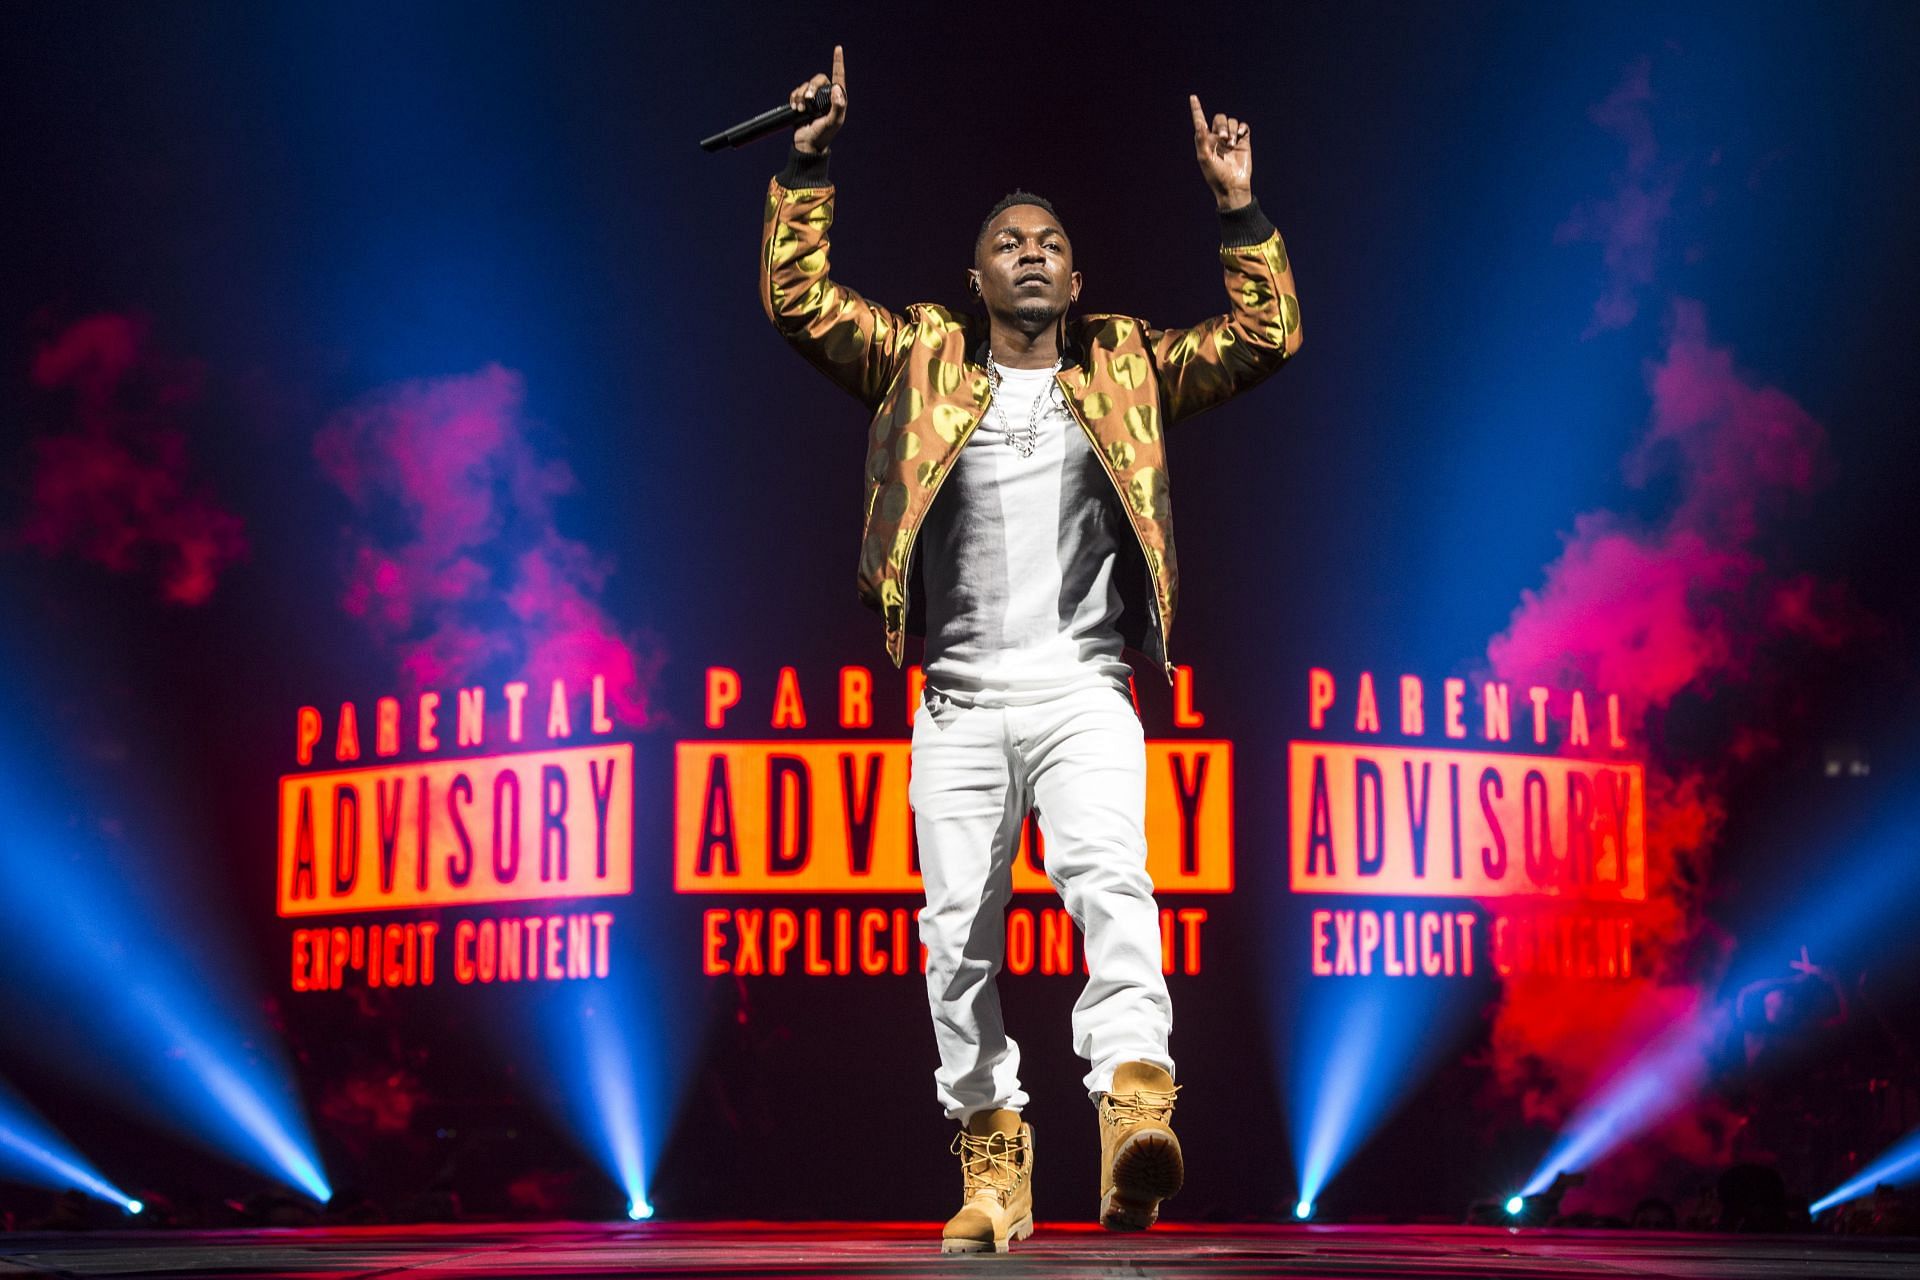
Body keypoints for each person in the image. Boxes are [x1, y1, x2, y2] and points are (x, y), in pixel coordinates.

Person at [758, 45, 1301, 1254]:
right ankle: (994, 1153)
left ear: (1079, 271)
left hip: (1081, 689)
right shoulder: (919, 358)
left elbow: (1264, 337)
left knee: (1111, 877)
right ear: (974, 275)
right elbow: (801, 302)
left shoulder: (1126, 366)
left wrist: (1237, 207)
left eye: (1051, 239)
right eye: (1009, 241)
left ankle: (1134, 1104)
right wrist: (809, 161)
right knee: (955, 935)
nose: (1033, 252)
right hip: (955, 698)